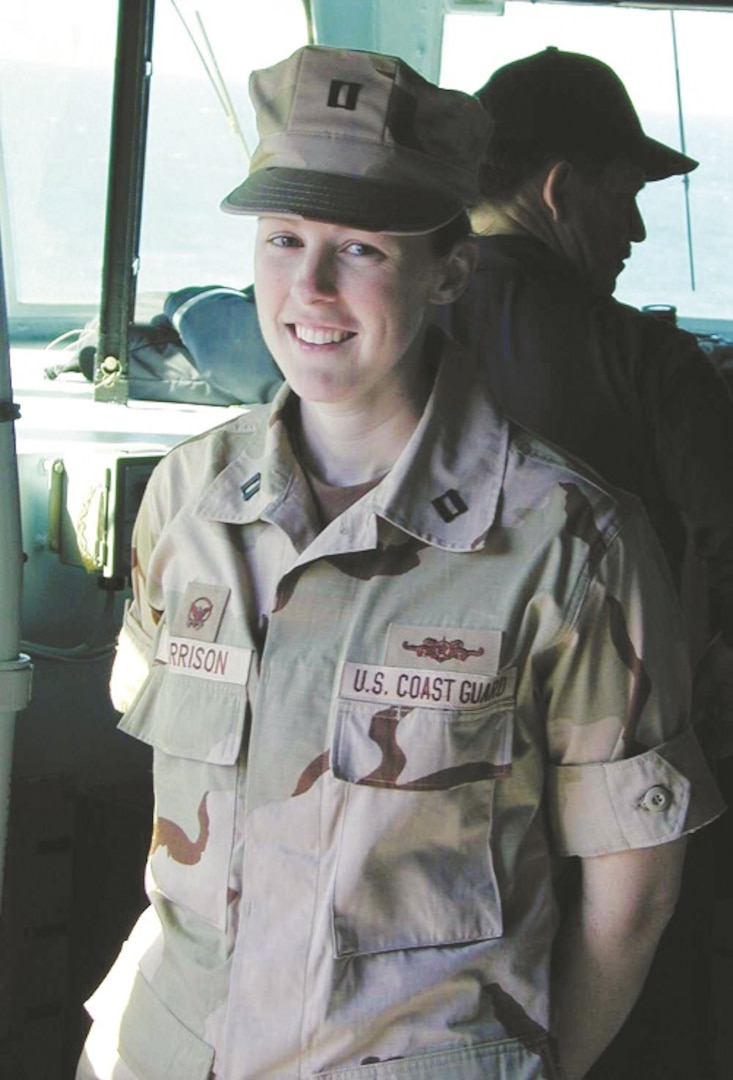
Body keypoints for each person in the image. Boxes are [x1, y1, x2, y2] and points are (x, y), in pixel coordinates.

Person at [76, 45, 723, 1080]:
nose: (310, 287)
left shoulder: (569, 546)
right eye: (284, 238)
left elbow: (633, 895)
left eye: (363, 249)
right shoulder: (189, 500)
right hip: (167, 1049)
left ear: (449, 271)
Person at [442, 47, 733, 1079]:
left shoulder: (393, 348)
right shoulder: (649, 365)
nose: (640, 229)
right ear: (559, 190)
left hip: (430, 793)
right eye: (627, 195)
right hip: (617, 799)